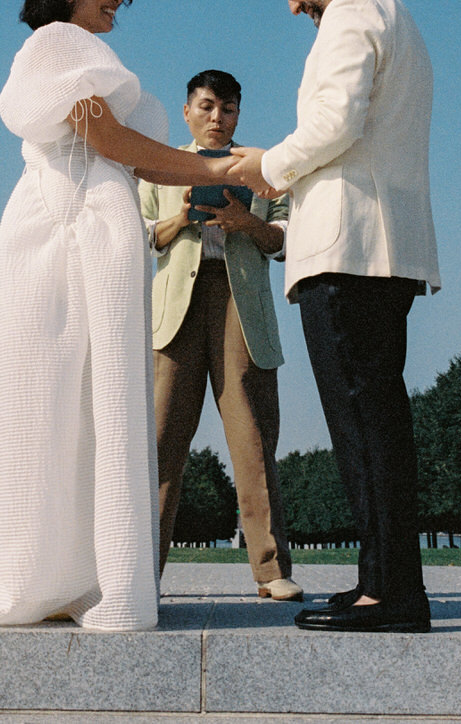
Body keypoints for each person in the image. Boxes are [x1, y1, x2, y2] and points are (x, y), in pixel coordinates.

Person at [0, 0, 237, 632]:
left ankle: (53, 578)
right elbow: (113, 142)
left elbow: (125, 152)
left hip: (69, 216)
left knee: (53, 397)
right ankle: (98, 582)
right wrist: (225, 169)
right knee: (95, 396)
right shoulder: (62, 44)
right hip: (76, 220)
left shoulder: (64, 51)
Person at [229, 0, 441, 633]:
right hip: (380, 246)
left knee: (364, 425)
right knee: (372, 422)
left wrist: (264, 168)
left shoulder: (352, 16)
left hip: (350, 252)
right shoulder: (393, 13)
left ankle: (394, 595)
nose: (292, 6)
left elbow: (335, 126)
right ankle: (380, 581)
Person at [139, 70, 302, 602]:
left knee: (253, 441)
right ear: (187, 111)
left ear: (238, 115)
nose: (217, 118)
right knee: (162, 444)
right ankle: (141, 573)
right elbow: (143, 236)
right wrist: (183, 218)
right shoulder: (159, 166)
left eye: (228, 109)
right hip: (175, 312)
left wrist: (242, 221)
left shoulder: (262, 168)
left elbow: (281, 239)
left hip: (240, 309)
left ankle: (272, 571)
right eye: (207, 107)